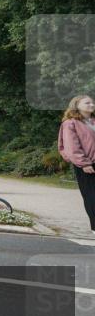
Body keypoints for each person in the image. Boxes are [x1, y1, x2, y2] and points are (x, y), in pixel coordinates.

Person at [58, 95, 95, 234]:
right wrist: (84, 163)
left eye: (92, 102)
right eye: (87, 102)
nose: (91, 104)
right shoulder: (70, 123)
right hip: (87, 164)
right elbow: (71, 146)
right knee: (92, 195)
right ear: (76, 105)